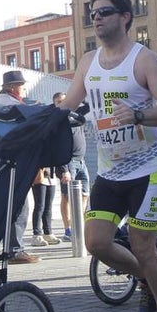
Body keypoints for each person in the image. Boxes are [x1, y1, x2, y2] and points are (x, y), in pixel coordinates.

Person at [58, 0, 157, 312]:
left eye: (105, 12)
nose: (96, 18)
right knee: (96, 243)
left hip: (147, 169)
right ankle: (144, 276)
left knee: (144, 246)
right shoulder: (88, 62)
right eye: (93, 13)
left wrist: (140, 114)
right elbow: (67, 104)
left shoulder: (143, 60)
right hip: (110, 171)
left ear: (125, 17)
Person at [0, 71, 41, 265]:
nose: (24, 89)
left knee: (13, 207)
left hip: (1, 163)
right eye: (21, 85)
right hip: (14, 163)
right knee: (20, 208)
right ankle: (15, 250)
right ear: (12, 87)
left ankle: (10, 248)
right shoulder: (12, 105)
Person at [53, 91, 90, 244]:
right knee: (66, 197)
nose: (63, 103)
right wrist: (64, 170)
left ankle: (78, 223)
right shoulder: (56, 120)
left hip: (81, 161)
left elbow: (89, 105)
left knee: (85, 193)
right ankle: (68, 229)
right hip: (68, 163)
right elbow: (57, 147)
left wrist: (82, 94)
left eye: (65, 100)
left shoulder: (75, 113)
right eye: (59, 102)